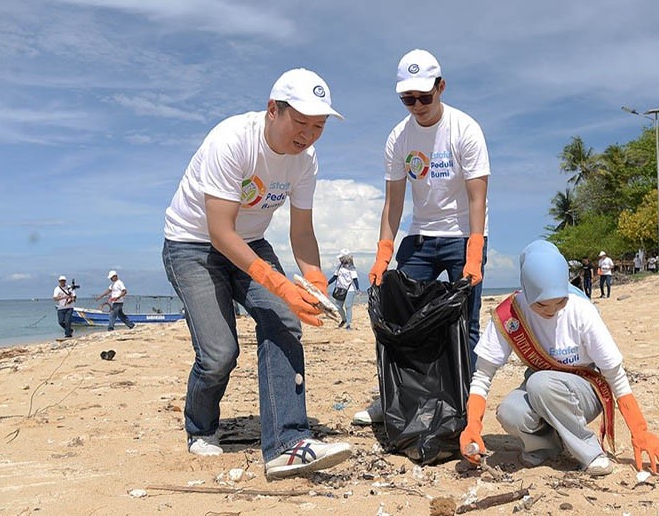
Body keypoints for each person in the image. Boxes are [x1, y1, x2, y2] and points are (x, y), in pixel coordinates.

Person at [161, 68, 351, 479]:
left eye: (318, 126)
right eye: (300, 122)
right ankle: (200, 427)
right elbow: (220, 232)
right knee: (219, 354)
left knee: (283, 320)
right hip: (192, 244)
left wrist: (316, 282)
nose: (308, 135)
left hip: (251, 241)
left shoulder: (306, 160)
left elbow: (302, 232)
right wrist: (280, 283)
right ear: (272, 110)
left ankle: (287, 442)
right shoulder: (232, 140)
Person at [459, 240, 659, 476]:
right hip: (541, 389)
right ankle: (544, 446)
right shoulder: (510, 314)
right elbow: (483, 375)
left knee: (540, 383)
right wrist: (473, 426)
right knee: (510, 411)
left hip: (585, 389)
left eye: (560, 301)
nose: (551, 311)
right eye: (541, 305)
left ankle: (590, 453)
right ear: (526, 291)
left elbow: (615, 376)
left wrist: (640, 431)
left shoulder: (581, 310)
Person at [358, 49, 490, 425]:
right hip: (420, 237)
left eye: (424, 97)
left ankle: (465, 404)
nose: (417, 106)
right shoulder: (399, 138)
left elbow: (477, 197)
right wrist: (383, 253)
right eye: (407, 98)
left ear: (441, 87)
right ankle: (397, 399)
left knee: (466, 323)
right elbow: (393, 202)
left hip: (463, 236)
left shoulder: (465, 129)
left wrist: (474, 251)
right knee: (400, 317)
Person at [327, 249, 360, 330]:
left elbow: (355, 279)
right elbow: (335, 277)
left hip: (350, 288)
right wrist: (327, 283)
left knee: (348, 306)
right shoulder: (339, 267)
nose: (340, 259)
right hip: (340, 288)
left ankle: (348, 324)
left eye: (341, 258)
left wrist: (357, 288)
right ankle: (344, 319)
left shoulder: (352, 268)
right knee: (338, 306)